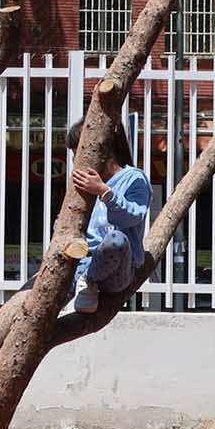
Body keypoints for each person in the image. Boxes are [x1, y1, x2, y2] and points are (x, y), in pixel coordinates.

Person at [66, 117, 152, 314]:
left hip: (116, 271)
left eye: (79, 152)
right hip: (81, 261)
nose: (75, 160)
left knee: (117, 240)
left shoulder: (134, 178)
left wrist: (104, 192)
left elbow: (132, 216)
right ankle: (80, 283)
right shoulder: (82, 185)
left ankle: (88, 280)